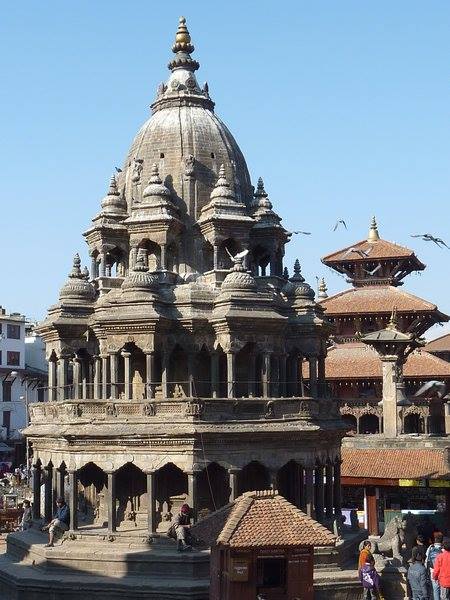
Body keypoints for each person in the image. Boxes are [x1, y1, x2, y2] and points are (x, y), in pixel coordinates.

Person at [426, 532, 443, 600]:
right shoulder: (444, 548)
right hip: (442, 573)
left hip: (433, 572)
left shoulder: (430, 548)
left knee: (435, 590)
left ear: (434, 539)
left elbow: (427, 560)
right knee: (443, 591)